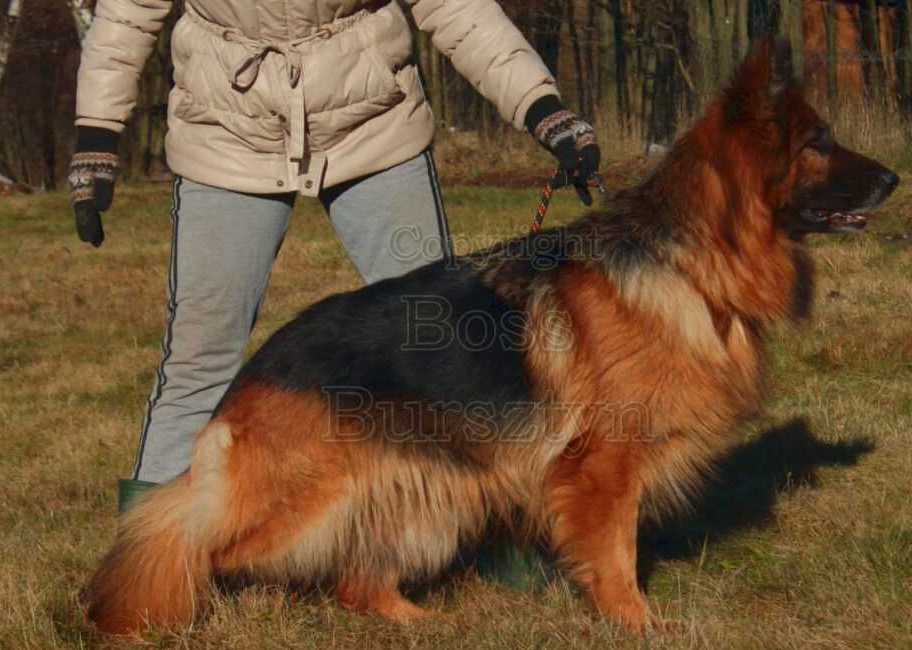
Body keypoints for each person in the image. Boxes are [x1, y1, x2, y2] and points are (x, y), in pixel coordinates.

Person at [68, 0, 602, 511]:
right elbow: (127, 14)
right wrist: (96, 136)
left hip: (372, 123)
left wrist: (541, 107)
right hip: (226, 131)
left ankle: (493, 531)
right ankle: (147, 561)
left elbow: (457, 8)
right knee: (198, 356)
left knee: (439, 340)